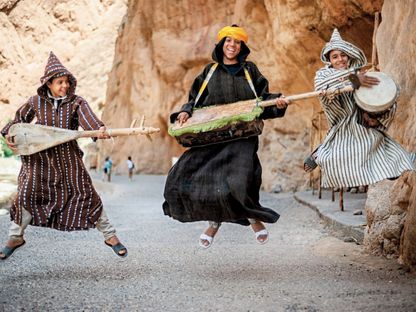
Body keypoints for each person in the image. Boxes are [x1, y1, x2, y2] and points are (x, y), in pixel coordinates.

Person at [163, 25, 289, 248]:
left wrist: (277, 102)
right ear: (221, 45)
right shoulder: (209, 71)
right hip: (213, 137)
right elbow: (194, 99)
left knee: (240, 181)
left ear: (242, 47)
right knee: (194, 178)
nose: (232, 46)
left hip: (243, 137)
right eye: (228, 41)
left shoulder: (250, 71)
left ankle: (253, 219)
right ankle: (214, 223)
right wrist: (185, 111)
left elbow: (263, 99)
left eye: (237, 42)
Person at [0, 52, 127, 260]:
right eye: (59, 82)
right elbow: (17, 122)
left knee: (87, 194)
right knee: (26, 194)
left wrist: (100, 129)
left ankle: (110, 235)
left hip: (69, 161)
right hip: (39, 161)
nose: (64, 86)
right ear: (48, 83)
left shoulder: (77, 102)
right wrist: (8, 135)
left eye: (67, 82)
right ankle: (15, 237)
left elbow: (90, 122)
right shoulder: (35, 102)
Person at [304, 29, 415, 188]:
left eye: (343, 55)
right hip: (341, 122)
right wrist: (354, 80)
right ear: (329, 60)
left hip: (360, 121)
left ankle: (389, 168)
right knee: (335, 158)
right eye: (335, 57)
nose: (340, 59)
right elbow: (321, 87)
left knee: (391, 152)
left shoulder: (359, 73)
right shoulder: (322, 74)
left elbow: (376, 95)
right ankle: (319, 153)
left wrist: (375, 111)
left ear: (348, 56)